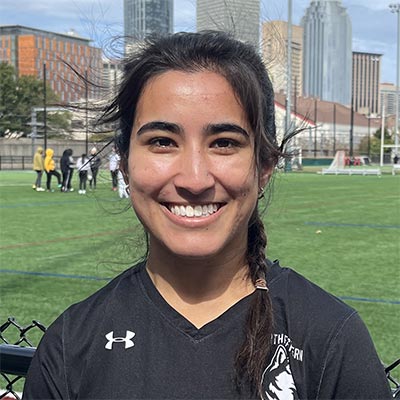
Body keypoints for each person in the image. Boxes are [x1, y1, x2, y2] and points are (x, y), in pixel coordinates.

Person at [23, 32, 392, 400]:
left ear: (264, 166)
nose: (194, 179)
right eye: (162, 142)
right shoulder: (70, 345)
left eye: (225, 143)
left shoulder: (331, 337)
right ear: (124, 162)